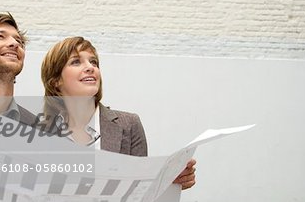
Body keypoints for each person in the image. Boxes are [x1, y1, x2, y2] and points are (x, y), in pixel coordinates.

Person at [41, 36, 196, 189]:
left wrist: (167, 182)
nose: (90, 67)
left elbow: (139, 190)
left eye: (93, 61)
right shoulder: (38, 132)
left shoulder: (129, 124)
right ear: (56, 82)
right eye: (76, 61)